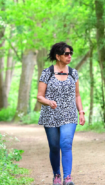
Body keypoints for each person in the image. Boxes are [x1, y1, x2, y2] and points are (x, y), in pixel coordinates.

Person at [37, 42, 86, 185]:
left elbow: (77, 95)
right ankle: (57, 175)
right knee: (54, 146)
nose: (69, 56)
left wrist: (81, 112)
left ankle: (68, 178)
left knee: (66, 143)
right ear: (58, 56)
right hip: (50, 115)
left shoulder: (73, 73)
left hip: (69, 114)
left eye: (71, 53)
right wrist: (48, 102)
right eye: (66, 54)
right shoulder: (47, 73)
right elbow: (39, 96)